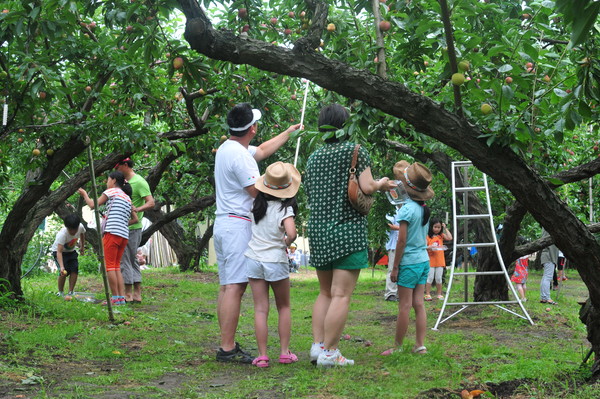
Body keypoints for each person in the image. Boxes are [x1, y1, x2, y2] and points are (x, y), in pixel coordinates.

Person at [305, 104, 396, 367]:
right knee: (341, 294)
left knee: (324, 292)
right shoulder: (355, 151)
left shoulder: (314, 157)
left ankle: (318, 346)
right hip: (347, 231)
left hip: (319, 232)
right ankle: (331, 353)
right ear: (346, 124)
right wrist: (381, 184)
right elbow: (366, 186)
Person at [214, 102, 301, 363]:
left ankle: (225, 342)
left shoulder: (228, 148)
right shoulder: (240, 157)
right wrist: (285, 186)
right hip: (237, 225)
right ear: (252, 128)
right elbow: (259, 193)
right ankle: (227, 348)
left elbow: (262, 150)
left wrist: (288, 133)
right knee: (235, 287)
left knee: (226, 286)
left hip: (223, 223)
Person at [244, 162, 301, 367]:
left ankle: (262, 355)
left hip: (253, 258)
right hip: (275, 260)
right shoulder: (285, 209)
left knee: (260, 309)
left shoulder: (255, 206)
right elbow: (292, 234)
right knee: (283, 306)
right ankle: (284, 352)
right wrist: (285, 242)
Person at [381, 160, 434, 356]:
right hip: (423, 261)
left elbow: (401, 241)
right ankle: (420, 345)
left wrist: (395, 268)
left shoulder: (406, 210)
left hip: (409, 262)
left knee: (404, 305)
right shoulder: (423, 208)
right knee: (419, 304)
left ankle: (397, 347)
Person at [78, 171, 137, 306]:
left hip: (112, 233)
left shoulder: (112, 192)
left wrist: (85, 194)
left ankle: (115, 298)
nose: (106, 183)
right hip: (123, 235)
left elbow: (93, 205)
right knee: (116, 266)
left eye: (108, 180)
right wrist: (117, 220)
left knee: (109, 266)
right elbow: (135, 219)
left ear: (114, 180)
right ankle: (120, 298)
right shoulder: (127, 198)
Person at [114, 157, 155, 304]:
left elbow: (151, 202)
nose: (116, 171)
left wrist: (137, 209)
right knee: (131, 260)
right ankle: (137, 293)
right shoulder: (123, 182)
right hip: (124, 227)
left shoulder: (139, 182)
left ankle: (128, 293)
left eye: (117, 167)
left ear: (125, 165)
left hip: (131, 228)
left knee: (125, 260)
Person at [52, 214, 86, 297]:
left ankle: (71, 291)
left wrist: (82, 246)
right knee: (63, 272)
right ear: (66, 227)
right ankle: (60, 292)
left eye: (75, 229)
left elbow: (82, 234)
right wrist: (62, 266)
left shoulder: (80, 227)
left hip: (71, 251)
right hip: (59, 252)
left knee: (74, 269)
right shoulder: (62, 235)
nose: (73, 232)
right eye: (70, 230)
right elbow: (59, 252)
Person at [425, 218, 452, 301]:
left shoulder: (441, 236)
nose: (437, 229)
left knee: (438, 278)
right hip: (430, 260)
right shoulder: (427, 237)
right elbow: (424, 247)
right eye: (435, 227)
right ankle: (427, 294)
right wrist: (430, 247)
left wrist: (445, 228)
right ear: (431, 227)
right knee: (429, 277)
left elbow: (450, 238)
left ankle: (439, 294)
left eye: (439, 227)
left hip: (440, 260)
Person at [384, 211, 400, 301]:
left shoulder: (407, 207)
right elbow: (388, 224)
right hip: (394, 244)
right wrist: (403, 228)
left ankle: (401, 292)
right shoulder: (390, 209)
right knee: (393, 268)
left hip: (406, 244)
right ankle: (390, 293)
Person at [539, 229, 558, 305]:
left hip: (547, 255)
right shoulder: (549, 228)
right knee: (548, 277)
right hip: (549, 256)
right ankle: (547, 298)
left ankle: (544, 297)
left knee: (545, 277)